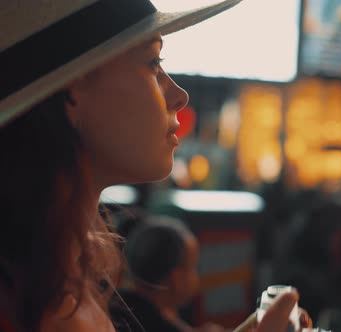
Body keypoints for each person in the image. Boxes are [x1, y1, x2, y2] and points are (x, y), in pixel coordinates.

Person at [0, 1, 298, 331]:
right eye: (153, 64)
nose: (180, 96)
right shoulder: (56, 312)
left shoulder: (43, 282)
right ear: (73, 89)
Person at [109, 216, 224, 332]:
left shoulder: (116, 306)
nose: (196, 276)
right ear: (176, 277)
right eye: (193, 267)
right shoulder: (155, 325)